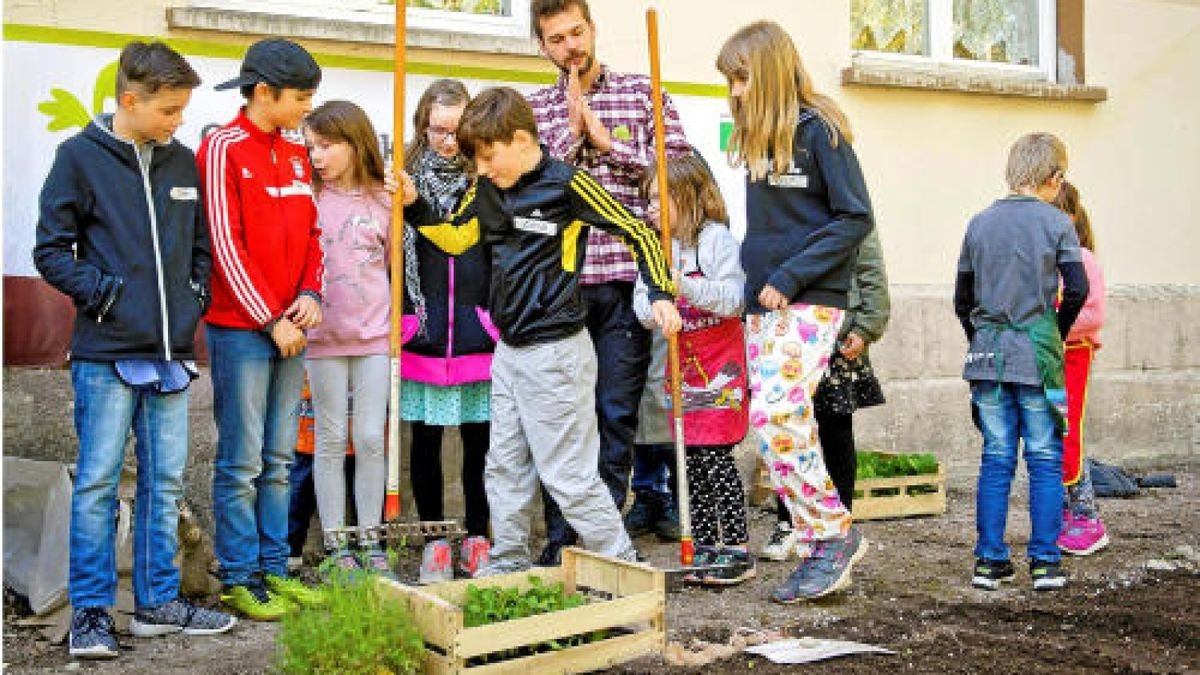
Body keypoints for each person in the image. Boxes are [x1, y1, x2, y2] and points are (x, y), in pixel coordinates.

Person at [398, 87, 681, 576]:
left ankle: (623, 564)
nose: (481, 169)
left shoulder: (568, 184)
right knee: (503, 468)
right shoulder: (487, 188)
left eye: (487, 156)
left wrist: (659, 291)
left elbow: (637, 229)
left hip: (557, 354)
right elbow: (456, 237)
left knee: (568, 476)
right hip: (506, 353)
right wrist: (415, 205)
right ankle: (506, 565)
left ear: (520, 139)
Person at [33, 41, 236, 659]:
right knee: (97, 484)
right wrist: (106, 295)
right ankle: (92, 614)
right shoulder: (78, 158)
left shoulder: (182, 164)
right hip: (105, 354)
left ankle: (157, 604)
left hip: (171, 355)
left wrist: (193, 296)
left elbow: (201, 244)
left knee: (164, 480)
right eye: (171, 110)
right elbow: (50, 250)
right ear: (131, 100)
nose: (179, 121)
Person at [526, 0, 691, 565]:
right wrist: (570, 143)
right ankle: (560, 538)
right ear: (542, 46)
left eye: (577, 32)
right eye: (556, 39)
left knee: (614, 413)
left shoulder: (646, 94)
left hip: (625, 278)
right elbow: (528, 188)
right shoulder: (535, 110)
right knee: (564, 416)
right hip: (562, 282)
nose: (571, 46)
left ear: (592, 30)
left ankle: (601, 540)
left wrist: (607, 142)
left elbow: (681, 176)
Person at [717, 21, 875, 603]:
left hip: (808, 299)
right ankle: (819, 539)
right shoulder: (762, 137)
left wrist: (788, 276)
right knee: (770, 427)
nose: (734, 90)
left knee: (782, 413)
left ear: (771, 70)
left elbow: (854, 217)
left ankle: (833, 535)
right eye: (729, 80)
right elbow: (771, 230)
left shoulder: (821, 133)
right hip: (764, 304)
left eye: (741, 77)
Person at [198, 38, 327, 620]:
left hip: (290, 328)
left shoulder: (298, 153)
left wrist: (309, 294)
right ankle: (241, 577)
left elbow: (312, 236)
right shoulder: (221, 148)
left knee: (280, 459)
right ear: (265, 92)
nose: (307, 108)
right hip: (242, 331)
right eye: (301, 98)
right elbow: (225, 246)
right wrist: (270, 319)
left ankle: (278, 572)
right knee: (243, 462)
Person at [954, 132, 1089, 592]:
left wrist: (982, 337)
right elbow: (1078, 290)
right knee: (1046, 458)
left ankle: (989, 561)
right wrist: (1054, 330)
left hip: (987, 355)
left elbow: (961, 299)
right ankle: (1046, 562)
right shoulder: (1057, 225)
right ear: (1054, 178)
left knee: (996, 457)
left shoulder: (978, 223)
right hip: (1038, 354)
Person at [633, 155, 753, 585]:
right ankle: (704, 544)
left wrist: (681, 285)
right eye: (647, 200)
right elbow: (641, 306)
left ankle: (736, 547)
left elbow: (734, 298)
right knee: (690, 459)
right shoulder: (652, 246)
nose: (649, 209)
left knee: (716, 456)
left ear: (689, 197)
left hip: (721, 366)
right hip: (682, 370)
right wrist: (657, 306)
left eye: (658, 199)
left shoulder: (717, 241)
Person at [397, 79, 494, 583]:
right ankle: (435, 540)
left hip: (478, 333)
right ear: (422, 125)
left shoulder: (488, 182)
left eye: (457, 131)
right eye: (437, 130)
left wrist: (493, 317)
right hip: (426, 332)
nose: (447, 142)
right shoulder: (404, 179)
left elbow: (475, 247)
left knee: (481, 442)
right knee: (427, 441)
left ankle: (479, 536)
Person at [302, 100, 394, 577]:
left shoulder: (384, 200)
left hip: (375, 338)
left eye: (327, 145)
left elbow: (399, 270)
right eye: (311, 146)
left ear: (356, 144)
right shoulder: (308, 196)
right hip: (321, 340)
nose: (317, 155)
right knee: (331, 439)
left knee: (371, 437)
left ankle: (372, 540)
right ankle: (340, 548)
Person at [761, 228, 890, 561]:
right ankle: (790, 521)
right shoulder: (790, 213)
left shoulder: (852, 215)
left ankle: (840, 522)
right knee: (789, 429)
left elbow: (871, 273)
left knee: (834, 432)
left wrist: (867, 326)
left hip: (838, 337)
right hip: (790, 336)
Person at [1052, 181, 1109, 556]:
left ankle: (1087, 517)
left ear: (1070, 217)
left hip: (1074, 353)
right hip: (1049, 356)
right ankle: (1063, 513)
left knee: (1069, 431)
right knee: (1052, 432)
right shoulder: (1043, 259)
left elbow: (1094, 313)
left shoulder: (1083, 260)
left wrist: (1054, 325)